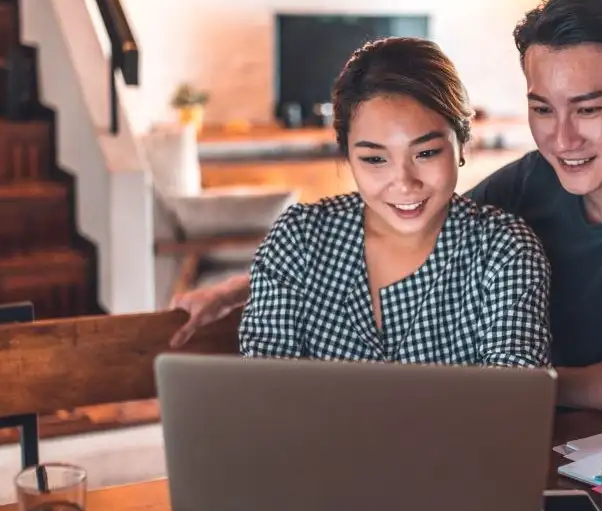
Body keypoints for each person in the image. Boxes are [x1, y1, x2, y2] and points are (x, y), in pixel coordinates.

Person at [170, 0, 602, 428]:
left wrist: (518, 386)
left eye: (588, 108)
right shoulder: (537, 180)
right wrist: (236, 287)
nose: (561, 139)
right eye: (541, 108)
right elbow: (404, 218)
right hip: (559, 441)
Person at [236, 36, 552, 367]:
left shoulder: (503, 250)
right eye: (374, 159)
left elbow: (514, 396)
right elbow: (266, 388)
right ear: (348, 156)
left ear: (461, 142)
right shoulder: (298, 238)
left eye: (426, 153)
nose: (403, 183)